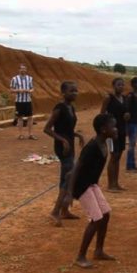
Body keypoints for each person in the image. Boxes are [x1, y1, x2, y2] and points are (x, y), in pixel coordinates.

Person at [67, 113, 118, 269]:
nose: (116, 129)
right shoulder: (92, 147)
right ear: (103, 130)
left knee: (105, 214)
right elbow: (76, 168)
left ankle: (98, 251)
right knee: (96, 218)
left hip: (91, 184)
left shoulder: (105, 144)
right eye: (113, 126)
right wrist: (69, 193)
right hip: (82, 186)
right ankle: (80, 256)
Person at [44, 81, 85, 226]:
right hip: (63, 147)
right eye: (71, 91)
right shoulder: (59, 108)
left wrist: (77, 136)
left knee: (69, 177)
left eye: (76, 91)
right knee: (67, 178)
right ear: (63, 93)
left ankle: (64, 210)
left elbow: (66, 129)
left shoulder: (71, 108)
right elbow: (47, 129)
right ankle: (55, 212)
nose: (74, 93)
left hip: (69, 145)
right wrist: (63, 140)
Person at [102, 78, 129, 192]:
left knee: (118, 156)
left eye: (122, 85)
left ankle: (116, 183)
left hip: (121, 130)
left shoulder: (124, 98)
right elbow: (102, 114)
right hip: (112, 132)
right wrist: (106, 129)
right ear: (113, 86)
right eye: (118, 85)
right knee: (114, 156)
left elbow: (124, 114)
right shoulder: (109, 98)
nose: (121, 87)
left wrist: (127, 117)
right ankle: (110, 185)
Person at [10, 63, 36, 140]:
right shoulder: (14, 79)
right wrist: (18, 90)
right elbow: (11, 90)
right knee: (20, 117)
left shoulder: (30, 78)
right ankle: (20, 134)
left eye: (24, 69)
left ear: (26, 70)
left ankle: (30, 134)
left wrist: (29, 91)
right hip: (19, 101)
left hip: (28, 100)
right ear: (19, 70)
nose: (23, 70)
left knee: (30, 117)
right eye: (21, 69)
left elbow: (32, 88)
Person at [125, 77, 137, 173]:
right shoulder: (130, 96)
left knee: (133, 144)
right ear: (134, 85)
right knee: (132, 145)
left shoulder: (136, 95)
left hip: (136, 122)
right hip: (131, 123)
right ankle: (129, 166)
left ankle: (132, 164)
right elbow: (126, 111)